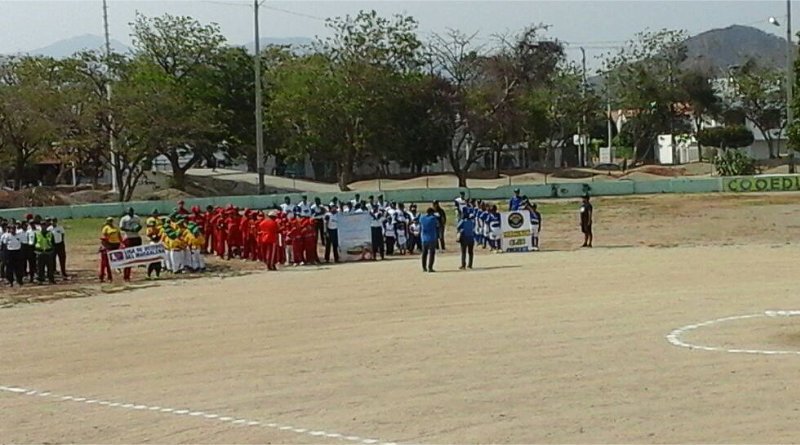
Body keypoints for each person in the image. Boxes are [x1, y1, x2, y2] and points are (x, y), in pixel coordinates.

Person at [119, 207, 142, 282]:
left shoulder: (137, 218)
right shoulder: (124, 218)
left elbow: (140, 225)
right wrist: (130, 230)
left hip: (136, 237)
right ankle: (126, 275)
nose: (131, 213)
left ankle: (140, 265)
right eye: (129, 212)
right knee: (128, 256)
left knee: (139, 253)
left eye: (131, 211)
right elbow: (121, 227)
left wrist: (138, 228)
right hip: (128, 237)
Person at [34, 219, 56, 284]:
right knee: (40, 267)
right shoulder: (37, 233)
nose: (43, 226)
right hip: (40, 252)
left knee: (50, 267)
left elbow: (53, 243)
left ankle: (51, 279)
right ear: (40, 226)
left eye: (44, 225)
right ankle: (40, 279)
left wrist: (51, 251)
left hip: (48, 252)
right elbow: (35, 243)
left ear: (46, 226)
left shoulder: (50, 234)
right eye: (42, 225)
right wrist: (36, 251)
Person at [99, 217, 121, 282]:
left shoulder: (115, 228)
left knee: (117, 259)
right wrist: (105, 244)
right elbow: (103, 237)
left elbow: (119, 236)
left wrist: (122, 243)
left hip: (116, 245)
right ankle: (107, 276)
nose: (110, 222)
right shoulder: (106, 228)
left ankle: (117, 268)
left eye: (111, 221)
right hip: (109, 245)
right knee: (106, 262)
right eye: (109, 221)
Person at [420, 207, 439, 273]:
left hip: (424, 238)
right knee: (432, 253)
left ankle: (424, 267)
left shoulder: (422, 218)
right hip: (432, 238)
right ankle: (430, 268)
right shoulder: (433, 218)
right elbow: (438, 224)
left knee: (424, 253)